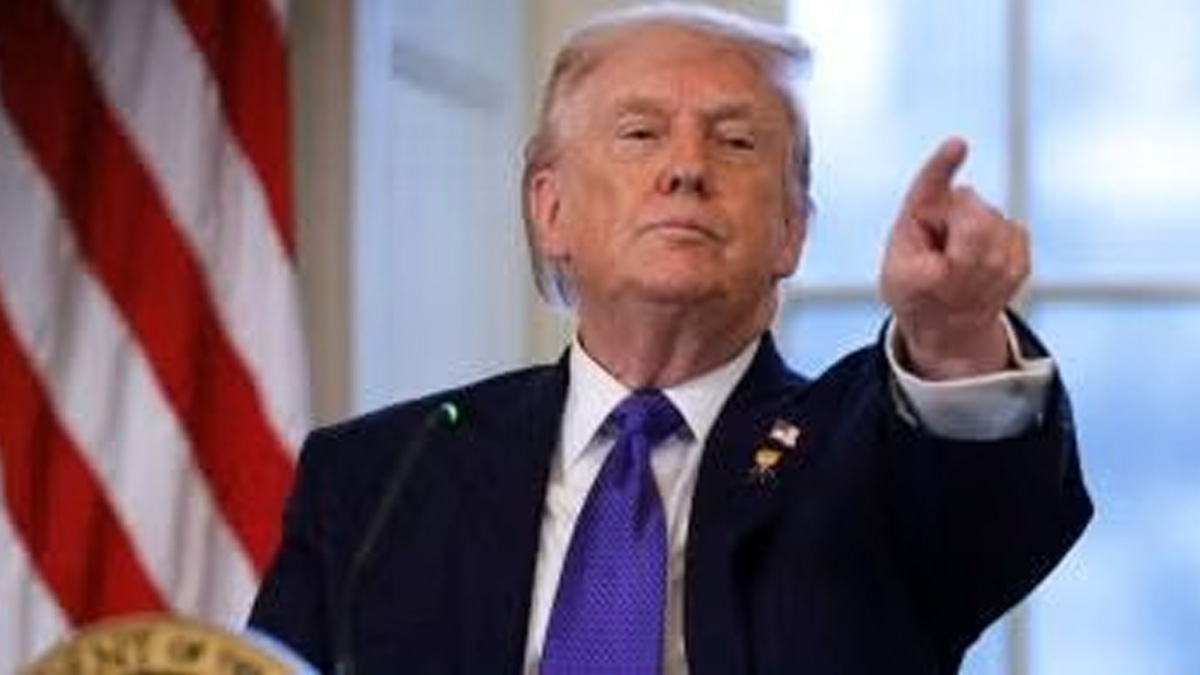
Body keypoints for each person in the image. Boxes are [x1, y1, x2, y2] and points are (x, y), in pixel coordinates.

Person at [249, 4, 1091, 673]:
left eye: (735, 141)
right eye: (641, 133)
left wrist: (954, 332)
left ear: (791, 229)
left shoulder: (867, 458)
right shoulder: (380, 479)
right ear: (551, 209)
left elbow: (983, 500)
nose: (687, 168)